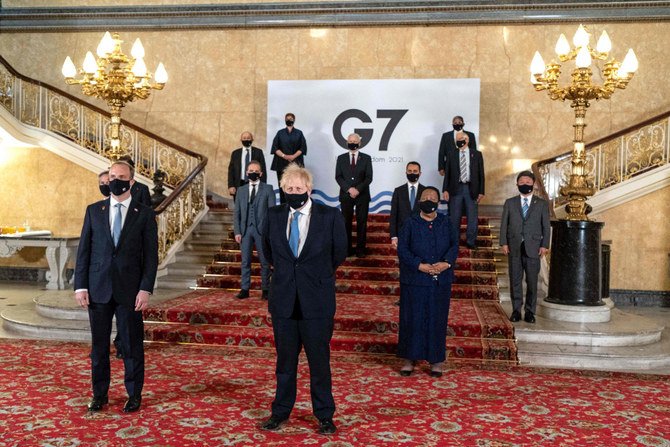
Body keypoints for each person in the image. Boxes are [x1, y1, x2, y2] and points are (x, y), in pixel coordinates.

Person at [261, 163, 347, 435]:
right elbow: (267, 251)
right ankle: (280, 411)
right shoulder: (273, 215)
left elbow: (339, 252)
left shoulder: (330, 215)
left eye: (299, 188)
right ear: (283, 189)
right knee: (284, 363)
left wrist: (316, 275)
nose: (294, 192)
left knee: (319, 363)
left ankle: (324, 414)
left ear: (309, 189)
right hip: (284, 300)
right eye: (289, 188)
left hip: (317, 301)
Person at [74, 160, 158, 414]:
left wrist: (146, 289)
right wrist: (80, 286)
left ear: (131, 181)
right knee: (99, 347)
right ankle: (99, 395)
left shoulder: (143, 213)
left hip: (130, 291)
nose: (115, 180)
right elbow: (84, 252)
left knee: (132, 345)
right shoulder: (94, 210)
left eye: (121, 176)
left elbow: (151, 256)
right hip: (98, 289)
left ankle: (134, 395)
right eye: (112, 176)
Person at [397, 186, 459, 378]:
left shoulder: (446, 222)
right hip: (414, 279)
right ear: (419, 201)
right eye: (425, 197)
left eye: (433, 198)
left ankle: (436, 361)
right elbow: (403, 249)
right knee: (411, 318)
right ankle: (409, 359)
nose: (429, 200)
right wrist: (419, 265)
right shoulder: (410, 223)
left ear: (439, 202)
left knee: (436, 319)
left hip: (440, 279)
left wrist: (446, 263)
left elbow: (454, 245)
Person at [500, 170, 551, 324]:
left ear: (533, 184)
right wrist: (503, 242)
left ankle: (530, 311)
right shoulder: (510, 202)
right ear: (517, 184)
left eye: (528, 182)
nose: (524, 185)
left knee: (532, 281)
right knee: (515, 280)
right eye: (521, 182)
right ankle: (516, 310)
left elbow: (546, 227)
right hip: (514, 246)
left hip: (534, 247)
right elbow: (504, 224)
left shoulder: (541, 204)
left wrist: (544, 245)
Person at [233, 160, 275, 300]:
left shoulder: (268, 189)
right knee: (245, 261)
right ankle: (245, 289)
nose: (253, 173)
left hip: (262, 231)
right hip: (245, 231)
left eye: (256, 171)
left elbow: (272, 212)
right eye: (251, 171)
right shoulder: (241, 190)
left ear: (261, 173)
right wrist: (237, 231)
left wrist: (270, 232)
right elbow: (237, 212)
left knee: (264, 261)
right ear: (246, 173)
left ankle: (266, 289)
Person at [441, 131, 485, 249]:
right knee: (455, 217)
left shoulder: (477, 154)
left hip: (472, 189)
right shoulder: (451, 154)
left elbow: (481, 174)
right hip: (456, 189)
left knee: (472, 217)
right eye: (457, 139)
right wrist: (445, 190)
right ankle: (454, 241)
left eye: (460, 138)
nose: (458, 140)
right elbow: (448, 174)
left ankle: (471, 241)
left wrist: (481, 191)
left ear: (467, 140)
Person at [335, 133, 373, 257]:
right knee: (346, 223)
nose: (352, 143)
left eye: (355, 141)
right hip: (346, 196)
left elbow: (368, 177)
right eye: (350, 141)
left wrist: (358, 189)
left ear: (359, 143)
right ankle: (347, 250)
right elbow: (338, 177)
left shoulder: (366, 158)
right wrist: (349, 189)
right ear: (347, 142)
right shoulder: (341, 158)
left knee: (362, 223)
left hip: (362, 196)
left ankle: (360, 250)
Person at [270, 113, 307, 203]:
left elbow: (303, 148)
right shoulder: (280, 133)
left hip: (296, 163)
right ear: (285, 120)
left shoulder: (299, 133)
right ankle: (283, 205)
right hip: (281, 163)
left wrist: (293, 156)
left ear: (294, 120)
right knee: (283, 186)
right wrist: (284, 156)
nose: (289, 120)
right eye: (287, 118)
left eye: (291, 118)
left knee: (296, 184)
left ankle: (296, 203)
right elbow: (275, 148)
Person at [389, 161, 426, 250]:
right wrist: (393, 236)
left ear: (420, 173)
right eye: (409, 171)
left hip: (422, 234)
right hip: (402, 233)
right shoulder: (398, 191)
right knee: (403, 261)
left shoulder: (425, 191)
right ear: (406, 173)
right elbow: (393, 214)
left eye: (415, 171)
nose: (412, 173)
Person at [227, 131, 268, 198]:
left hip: (254, 183)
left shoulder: (258, 152)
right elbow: (231, 171)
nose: (246, 140)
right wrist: (231, 185)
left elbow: (263, 169)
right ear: (241, 140)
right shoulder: (235, 153)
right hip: (239, 184)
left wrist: (262, 186)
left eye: (248, 138)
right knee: (239, 206)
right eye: (244, 138)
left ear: (252, 139)